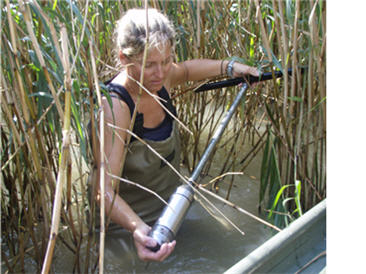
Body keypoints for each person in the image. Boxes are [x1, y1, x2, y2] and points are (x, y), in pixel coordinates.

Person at [90, 8, 259, 262]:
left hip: (172, 211)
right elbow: (102, 190)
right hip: (128, 230)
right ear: (124, 59)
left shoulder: (161, 79)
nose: (161, 73)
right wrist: (137, 229)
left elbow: (188, 71)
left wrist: (231, 66)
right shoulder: (115, 107)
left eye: (167, 60)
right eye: (150, 65)